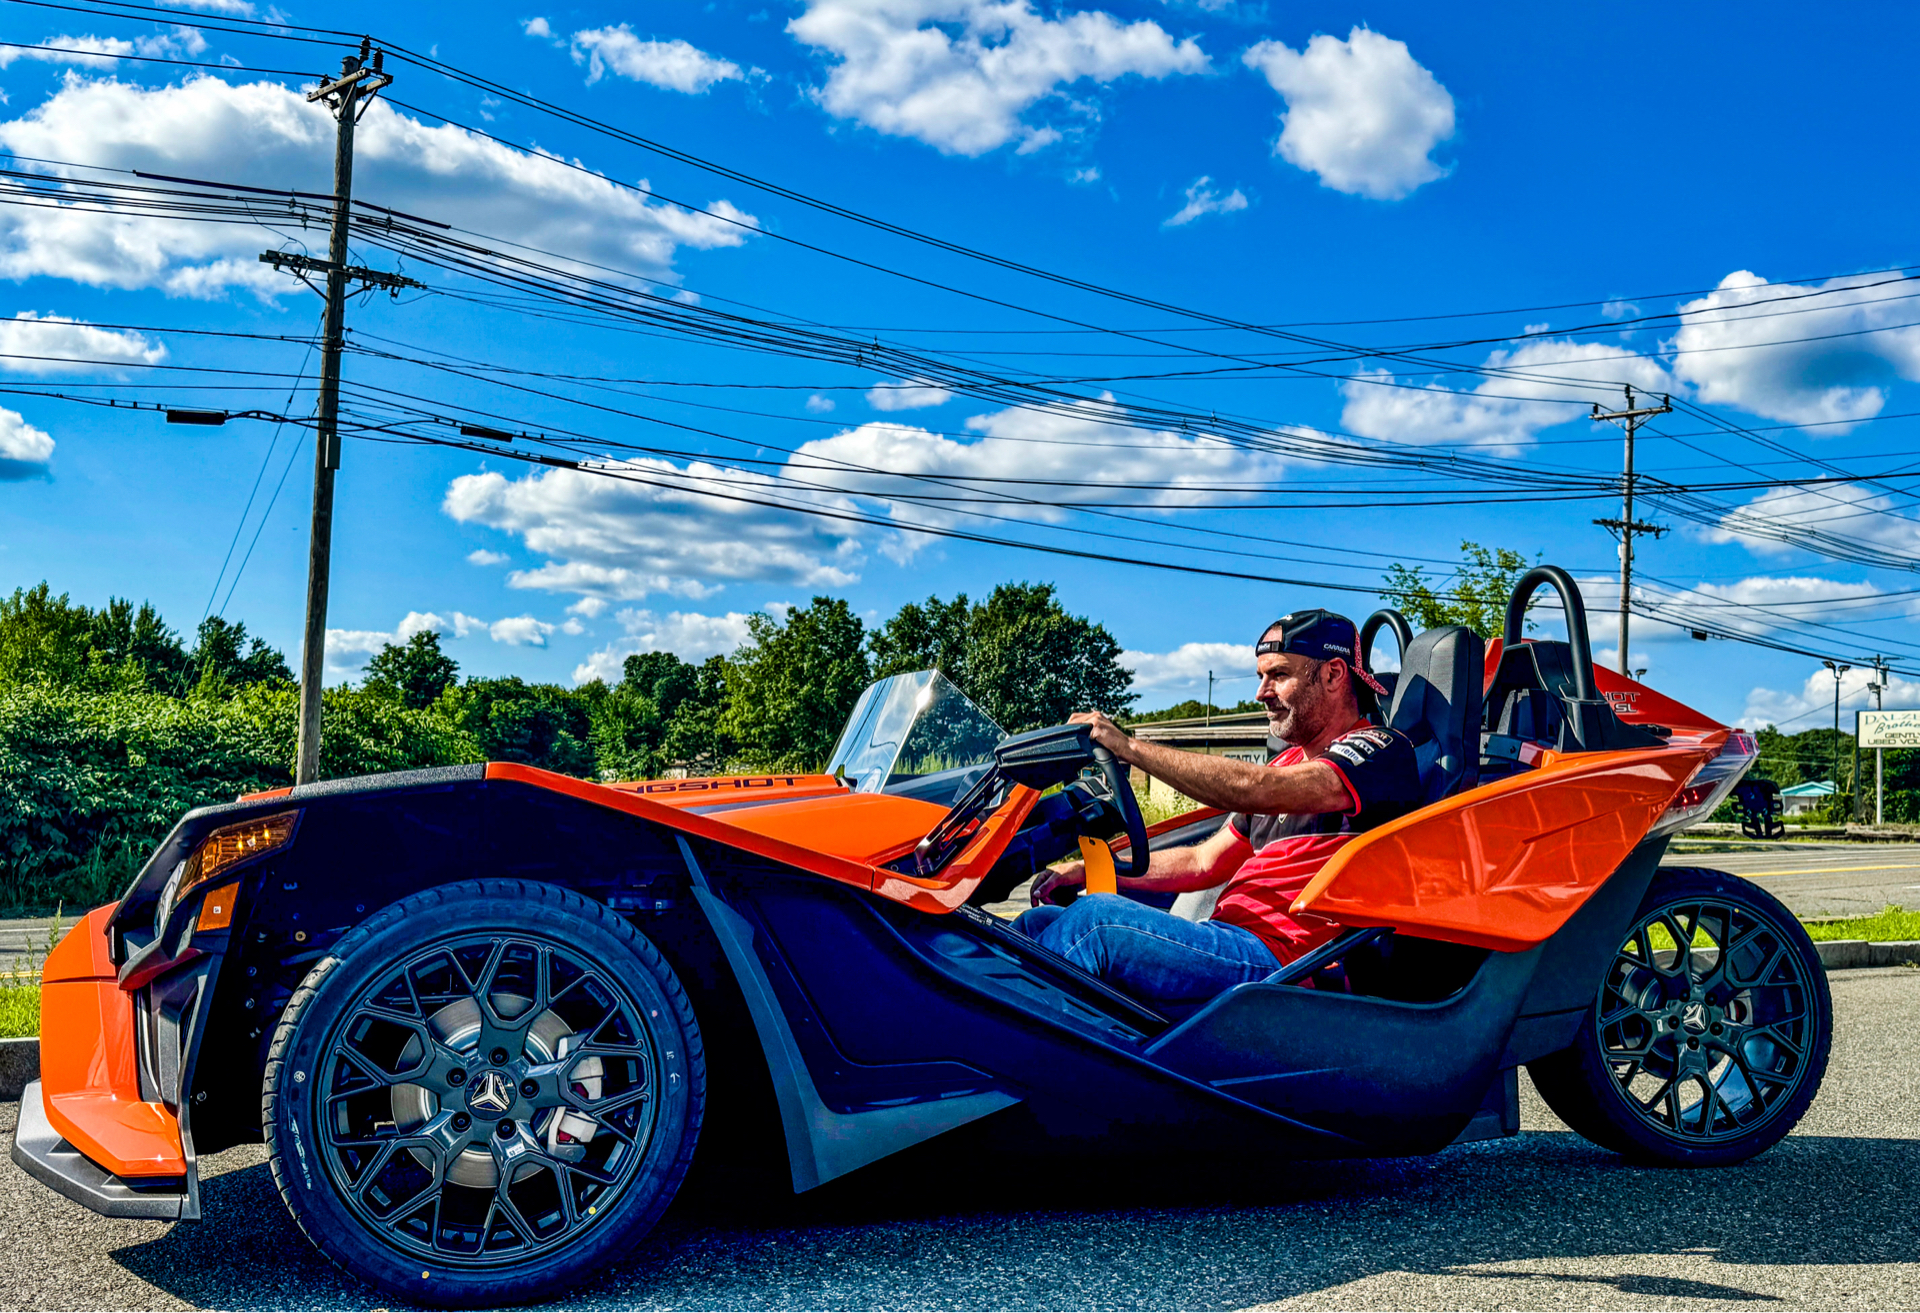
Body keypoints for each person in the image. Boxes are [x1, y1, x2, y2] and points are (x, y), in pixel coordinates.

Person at [1013, 609, 1421, 1005]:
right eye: (1261, 677)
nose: (1262, 693)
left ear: (1333, 674)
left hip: (1285, 961)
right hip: (1228, 941)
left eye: (1278, 675)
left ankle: (1011, 1057)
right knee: (1036, 924)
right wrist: (1089, 869)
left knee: (1096, 923)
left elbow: (1258, 787)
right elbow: (1202, 862)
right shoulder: (1285, 764)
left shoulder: (1379, 751)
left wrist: (1131, 749)